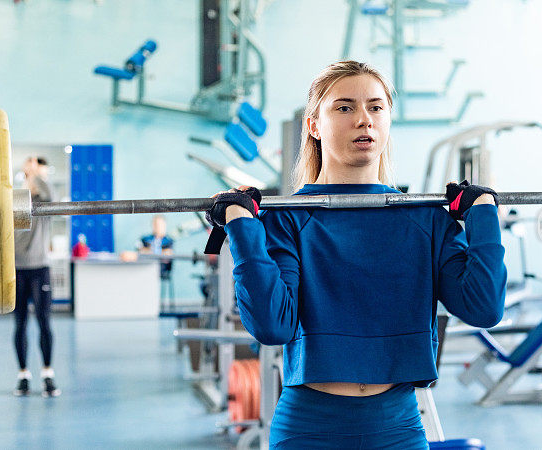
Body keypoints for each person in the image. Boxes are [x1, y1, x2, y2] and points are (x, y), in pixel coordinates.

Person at [205, 61, 506, 449]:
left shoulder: (425, 217)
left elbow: (483, 308)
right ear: (314, 125)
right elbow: (272, 326)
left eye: (376, 107)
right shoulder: (289, 218)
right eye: (345, 107)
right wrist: (240, 222)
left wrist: (482, 212)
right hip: (308, 429)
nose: (364, 119)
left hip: (397, 427)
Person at [13, 156, 60, 397]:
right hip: (17, 270)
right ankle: (23, 375)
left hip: (40, 269)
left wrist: (36, 174)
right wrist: (28, 176)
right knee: (20, 323)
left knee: (44, 322)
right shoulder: (15, 202)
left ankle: (47, 374)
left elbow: (51, 193)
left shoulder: (44, 204)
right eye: (29, 177)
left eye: (37, 178)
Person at [138, 214, 174, 280]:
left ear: (164, 225)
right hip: (145, 267)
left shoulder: (169, 241)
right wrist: (160, 252)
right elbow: (140, 252)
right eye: (155, 224)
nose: (157, 227)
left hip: (161, 270)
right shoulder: (145, 239)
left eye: (159, 224)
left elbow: (167, 256)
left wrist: (149, 251)